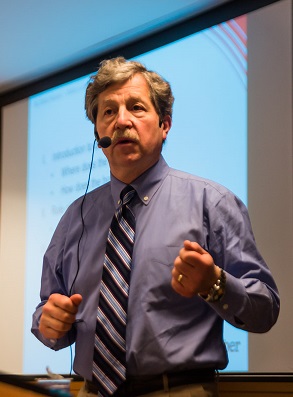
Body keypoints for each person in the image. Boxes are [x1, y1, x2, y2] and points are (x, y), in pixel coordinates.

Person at [32, 57, 280, 397]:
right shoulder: (75, 217)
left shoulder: (212, 203)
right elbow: (47, 311)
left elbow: (265, 309)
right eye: (108, 112)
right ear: (98, 134)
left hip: (178, 390)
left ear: (164, 124)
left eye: (136, 107)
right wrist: (49, 324)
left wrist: (214, 284)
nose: (121, 121)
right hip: (90, 391)